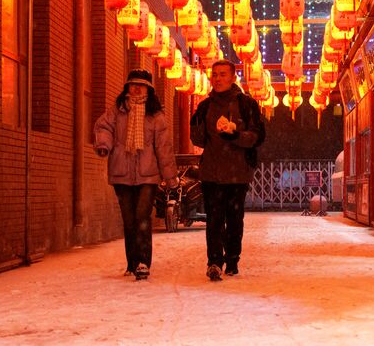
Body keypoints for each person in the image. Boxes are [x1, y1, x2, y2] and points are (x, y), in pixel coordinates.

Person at [94, 69, 179, 280]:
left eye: (141, 85)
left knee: (142, 216)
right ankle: (131, 262)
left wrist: (170, 176)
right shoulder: (118, 110)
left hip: (148, 174)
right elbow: (103, 126)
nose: (136, 88)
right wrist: (104, 144)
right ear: (127, 87)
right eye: (133, 85)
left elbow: (164, 148)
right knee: (129, 219)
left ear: (148, 89)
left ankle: (143, 262)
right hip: (121, 172)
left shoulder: (156, 116)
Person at [190, 59, 264, 281]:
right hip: (211, 172)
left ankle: (232, 259)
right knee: (213, 219)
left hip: (238, 173)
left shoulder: (246, 105)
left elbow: (257, 136)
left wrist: (236, 135)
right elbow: (199, 139)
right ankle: (214, 261)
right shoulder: (205, 106)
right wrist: (199, 126)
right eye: (215, 75)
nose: (218, 79)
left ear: (233, 77)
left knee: (234, 219)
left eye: (223, 74)